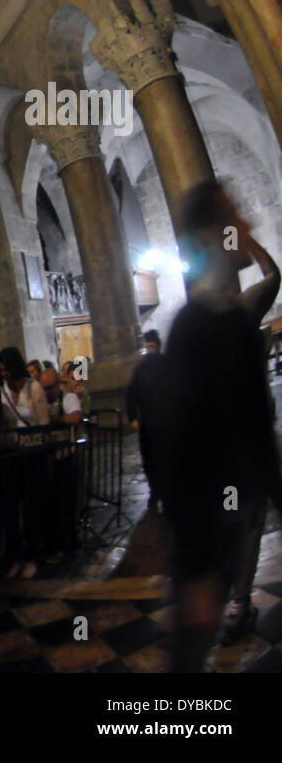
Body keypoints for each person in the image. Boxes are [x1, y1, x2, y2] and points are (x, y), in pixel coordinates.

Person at [162, 181, 281, 665]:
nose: (247, 224)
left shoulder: (235, 318)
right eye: (236, 217)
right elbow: (178, 451)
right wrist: (196, 569)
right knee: (189, 655)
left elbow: (256, 432)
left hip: (236, 510)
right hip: (207, 531)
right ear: (215, 233)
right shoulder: (193, 328)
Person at [0, 346, 51, 578]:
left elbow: (43, 422)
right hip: (10, 457)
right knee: (10, 508)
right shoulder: (1, 390)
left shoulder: (34, 388)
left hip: (32, 456)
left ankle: (32, 553)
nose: (5, 374)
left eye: (7, 369)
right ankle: (14, 555)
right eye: (1, 371)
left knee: (32, 506)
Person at [126, 330, 166, 510]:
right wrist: (133, 417)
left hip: (166, 422)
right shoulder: (141, 370)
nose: (150, 350)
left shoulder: (168, 365)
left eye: (152, 347)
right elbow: (131, 395)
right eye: (147, 347)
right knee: (150, 460)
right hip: (148, 424)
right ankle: (155, 491)